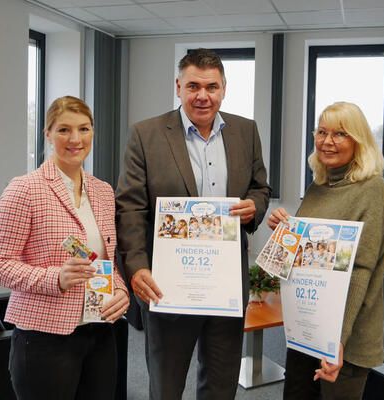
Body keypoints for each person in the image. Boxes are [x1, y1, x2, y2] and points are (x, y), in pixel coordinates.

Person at [116, 48, 271, 400]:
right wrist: (137, 267)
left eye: (212, 87)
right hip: (168, 284)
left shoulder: (245, 132)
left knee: (220, 385)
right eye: (193, 86)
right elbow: (129, 208)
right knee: (166, 385)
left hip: (226, 286)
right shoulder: (147, 134)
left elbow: (260, 188)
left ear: (224, 88)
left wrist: (254, 208)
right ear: (178, 87)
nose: (203, 95)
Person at [0, 96, 130, 400]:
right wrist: (56, 278)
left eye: (84, 129)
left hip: (100, 330)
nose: (75, 139)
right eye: (64, 130)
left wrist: (120, 291)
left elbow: (105, 260)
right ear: (47, 134)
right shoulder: (24, 189)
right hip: (44, 336)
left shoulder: (103, 192)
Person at [267, 102, 384, 400]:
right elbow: (303, 257)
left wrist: (337, 340)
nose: (327, 141)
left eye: (340, 134)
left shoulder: (371, 189)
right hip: (306, 328)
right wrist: (283, 232)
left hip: (345, 341)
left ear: (358, 140)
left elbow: (361, 271)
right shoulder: (318, 186)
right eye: (322, 132)